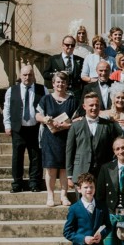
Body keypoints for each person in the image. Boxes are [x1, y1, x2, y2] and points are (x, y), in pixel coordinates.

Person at [35, 71, 78, 207]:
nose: (60, 84)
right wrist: (45, 119)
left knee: (65, 169)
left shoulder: (72, 100)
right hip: (50, 138)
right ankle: (50, 195)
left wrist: (68, 125)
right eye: (58, 82)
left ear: (67, 84)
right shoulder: (46, 99)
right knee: (51, 168)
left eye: (63, 82)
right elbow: (37, 116)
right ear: (53, 84)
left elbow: (77, 119)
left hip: (67, 138)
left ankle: (63, 196)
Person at [3, 64, 45, 193]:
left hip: (35, 128)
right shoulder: (12, 90)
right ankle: (17, 183)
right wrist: (7, 125)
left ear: (34, 75)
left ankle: (34, 183)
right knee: (17, 156)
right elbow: (7, 108)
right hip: (18, 129)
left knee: (36, 156)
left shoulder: (42, 89)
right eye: (25, 75)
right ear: (20, 76)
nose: (27, 77)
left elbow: (46, 107)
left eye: (30, 74)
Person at [66, 92, 123, 186]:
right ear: (84, 106)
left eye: (97, 105)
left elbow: (113, 149)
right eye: (91, 105)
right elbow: (69, 151)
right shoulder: (76, 126)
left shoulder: (108, 125)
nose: (94, 108)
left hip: (102, 171)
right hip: (81, 170)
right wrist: (69, 175)